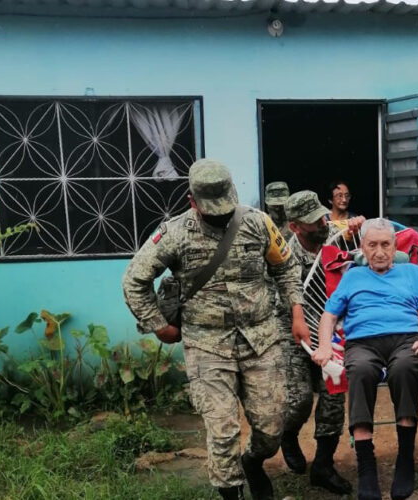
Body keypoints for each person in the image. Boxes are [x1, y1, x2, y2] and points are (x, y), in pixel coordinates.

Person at [122, 159, 308, 500]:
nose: (222, 216)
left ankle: (252, 462)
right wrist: (158, 325)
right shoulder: (174, 233)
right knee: (222, 430)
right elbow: (135, 280)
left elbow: (285, 267)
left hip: (261, 339)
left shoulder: (257, 222)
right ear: (192, 201)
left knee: (271, 426)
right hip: (206, 344)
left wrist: (296, 310)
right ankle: (231, 491)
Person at [312, 218, 418, 500]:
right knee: (359, 371)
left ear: (395, 247)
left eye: (386, 245)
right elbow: (329, 316)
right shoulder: (352, 277)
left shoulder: (414, 273)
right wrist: (323, 346)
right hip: (362, 342)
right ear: (362, 248)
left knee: (406, 367)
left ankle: (405, 460)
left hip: (406, 338)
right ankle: (366, 468)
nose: (379, 251)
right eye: (372, 245)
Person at [278, 190, 363, 495]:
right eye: (313, 222)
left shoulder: (332, 238)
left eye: (322, 216)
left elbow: (359, 242)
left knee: (333, 393)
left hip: (330, 331)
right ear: (295, 226)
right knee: (299, 399)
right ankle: (288, 435)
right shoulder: (282, 256)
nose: (322, 223)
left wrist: (357, 229)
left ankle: (323, 466)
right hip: (293, 331)